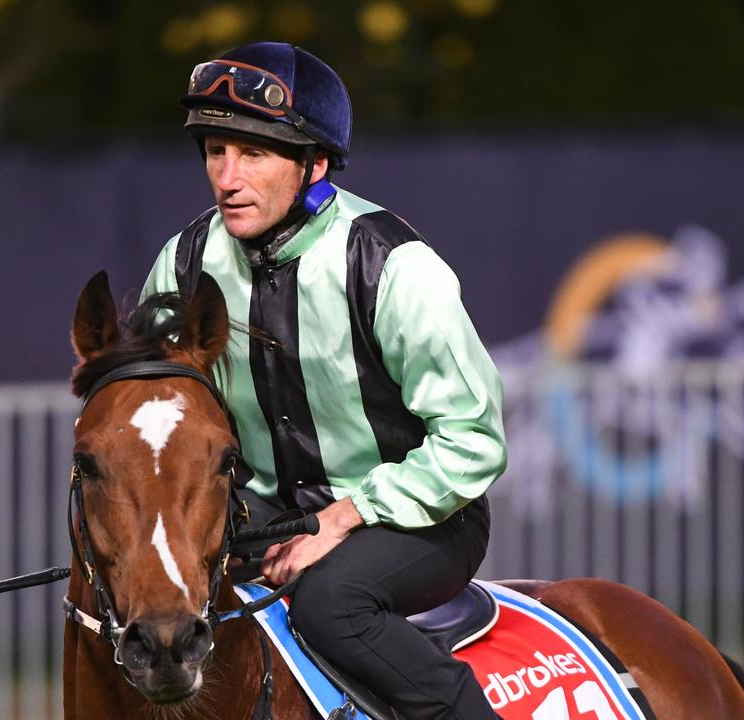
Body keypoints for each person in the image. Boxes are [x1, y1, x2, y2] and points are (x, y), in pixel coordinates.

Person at [140, 41, 506, 720]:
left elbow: (474, 442)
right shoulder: (184, 263)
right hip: (260, 522)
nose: (227, 176)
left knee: (330, 601)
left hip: (420, 520)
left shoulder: (395, 267)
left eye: (253, 153)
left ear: (313, 164)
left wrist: (343, 518)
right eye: (216, 151)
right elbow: (153, 419)